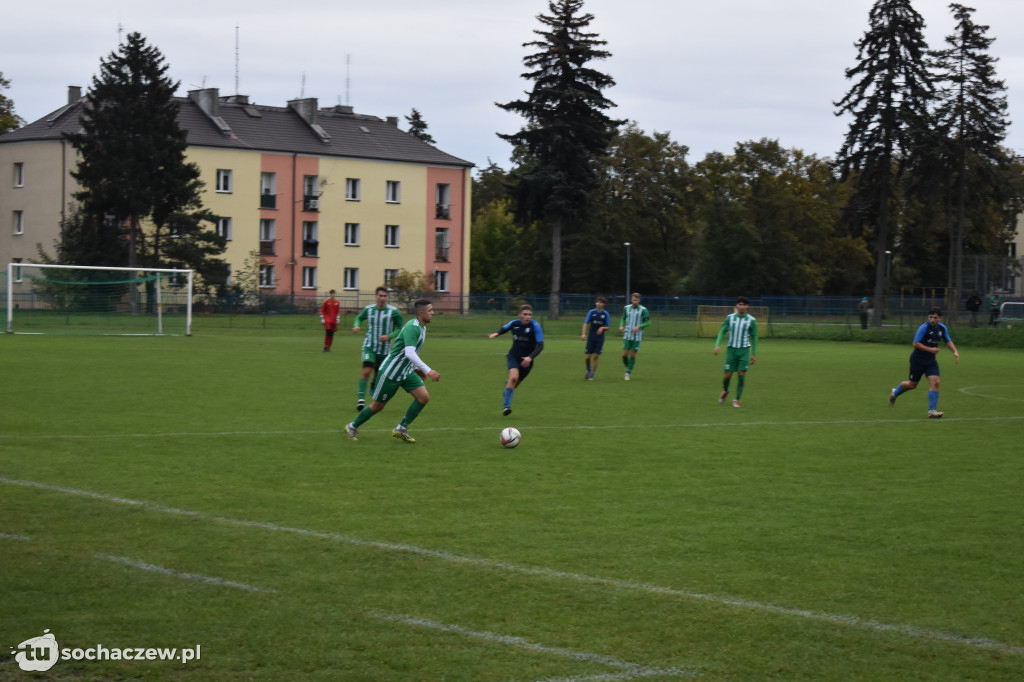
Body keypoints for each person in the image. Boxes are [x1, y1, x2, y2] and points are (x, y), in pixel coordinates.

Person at [345, 299, 440, 443]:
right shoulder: (412, 327)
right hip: (391, 372)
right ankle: (352, 426)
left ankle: (401, 428)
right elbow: (409, 353)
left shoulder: (422, 327)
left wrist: (416, 369)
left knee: (423, 397)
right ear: (421, 313)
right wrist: (427, 370)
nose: (433, 313)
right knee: (377, 406)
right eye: (430, 310)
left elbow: (407, 352)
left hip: (406, 372)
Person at [888, 307, 959, 418]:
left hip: (930, 361)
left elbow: (948, 340)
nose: (932, 320)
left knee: (935, 382)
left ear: (940, 318)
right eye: (930, 317)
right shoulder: (924, 327)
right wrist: (931, 350)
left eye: (935, 317)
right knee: (912, 385)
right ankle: (895, 393)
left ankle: (932, 411)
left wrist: (955, 351)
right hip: (918, 360)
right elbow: (915, 343)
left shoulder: (942, 328)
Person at [352, 286, 404, 412]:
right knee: (366, 370)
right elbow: (359, 318)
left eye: (385, 296)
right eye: (380, 295)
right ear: (376, 297)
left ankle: (374, 384)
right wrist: (357, 326)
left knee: (378, 375)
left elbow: (400, 328)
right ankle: (361, 400)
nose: (382, 298)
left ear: (387, 297)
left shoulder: (394, 311)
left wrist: (389, 336)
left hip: (385, 350)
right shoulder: (369, 310)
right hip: (370, 346)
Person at [489, 304, 544, 416]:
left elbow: (540, 346)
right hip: (513, 356)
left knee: (514, 383)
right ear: (520, 315)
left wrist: (530, 357)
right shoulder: (514, 323)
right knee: (514, 377)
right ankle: (506, 407)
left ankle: (507, 386)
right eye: (525, 314)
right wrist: (497, 333)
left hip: (527, 361)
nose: (527, 317)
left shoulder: (535, 326)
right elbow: (504, 328)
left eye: (529, 315)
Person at [713, 296, 758, 407]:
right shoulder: (730, 318)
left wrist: (754, 353)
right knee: (727, 375)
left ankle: (736, 399)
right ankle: (725, 391)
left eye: (744, 304)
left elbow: (755, 337)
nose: (741, 306)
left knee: (741, 374)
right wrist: (717, 345)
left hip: (744, 350)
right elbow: (723, 331)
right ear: (736, 305)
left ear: (747, 306)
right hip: (731, 350)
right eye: (739, 304)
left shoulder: (751, 320)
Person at [619, 293, 650, 380]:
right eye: (633, 299)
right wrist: (621, 325)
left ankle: (627, 373)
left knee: (632, 355)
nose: (635, 301)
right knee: (624, 355)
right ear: (631, 300)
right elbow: (623, 318)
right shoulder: (626, 308)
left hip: (637, 336)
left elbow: (648, 322)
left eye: (637, 299)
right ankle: (629, 367)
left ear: (639, 300)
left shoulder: (644, 310)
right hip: (627, 334)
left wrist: (638, 327)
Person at [580, 297, 611, 380]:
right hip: (591, 337)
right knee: (587, 357)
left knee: (596, 356)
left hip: (600, 338)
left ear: (604, 304)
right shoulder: (591, 312)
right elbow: (586, 323)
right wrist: (583, 334)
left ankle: (592, 375)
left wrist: (602, 328)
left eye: (600, 302)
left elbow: (608, 327)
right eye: (597, 302)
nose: (598, 304)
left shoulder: (605, 314)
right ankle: (589, 370)